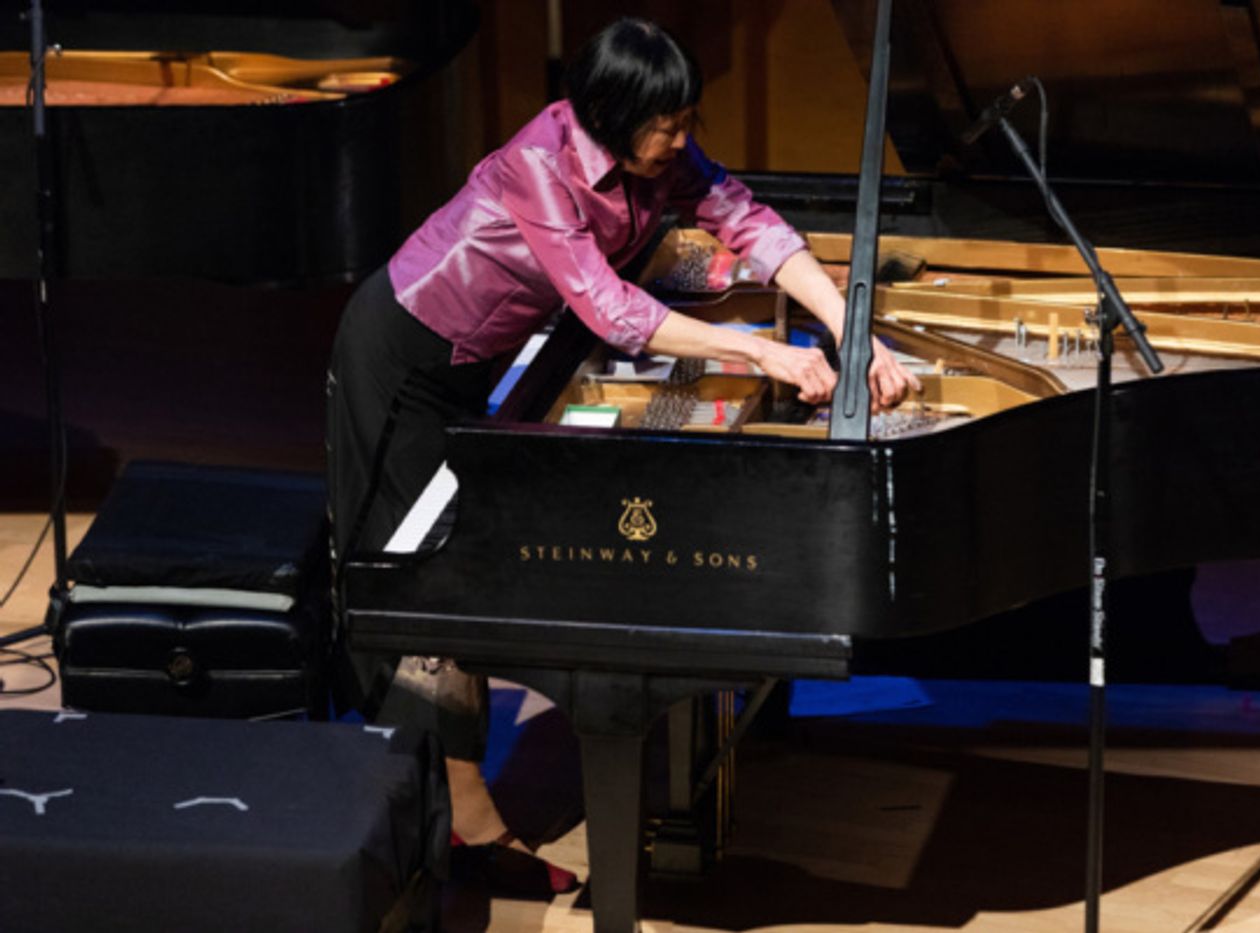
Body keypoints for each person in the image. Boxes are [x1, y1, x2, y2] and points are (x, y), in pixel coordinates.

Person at [325, 16, 921, 870]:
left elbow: (750, 223)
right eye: (665, 125)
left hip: (473, 359)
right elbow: (611, 311)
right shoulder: (540, 165)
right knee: (427, 582)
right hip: (402, 358)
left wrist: (849, 328)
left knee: (453, 570)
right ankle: (462, 825)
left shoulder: (664, 156)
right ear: (607, 113)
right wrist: (762, 352)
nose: (681, 141)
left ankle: (446, 807)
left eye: (686, 121)